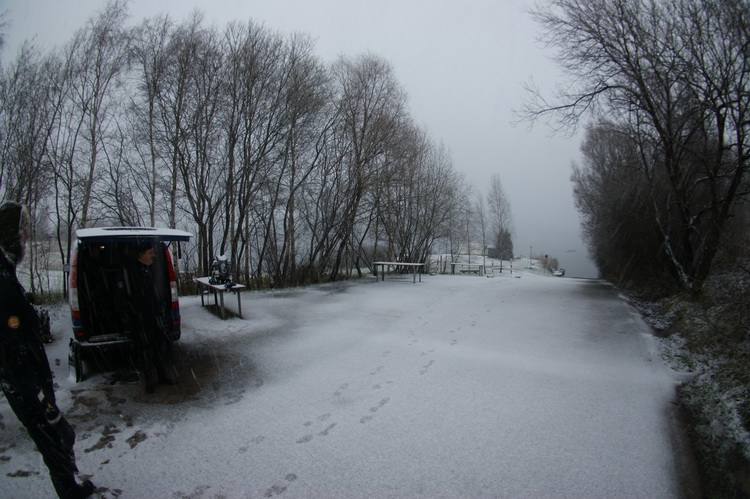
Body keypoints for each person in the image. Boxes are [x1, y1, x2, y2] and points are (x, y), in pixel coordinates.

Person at [0, 201, 95, 499]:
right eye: (23, 234)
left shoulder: (5, 271)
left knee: (56, 437)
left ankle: (68, 487)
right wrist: (39, 395)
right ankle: (69, 490)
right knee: (57, 435)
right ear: (10, 235)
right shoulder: (1, 278)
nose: (26, 239)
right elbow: (9, 345)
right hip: (24, 384)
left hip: (26, 381)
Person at [125, 241, 176, 394]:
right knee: (145, 351)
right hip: (141, 319)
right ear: (141, 255)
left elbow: (159, 291)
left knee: (159, 348)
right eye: (150, 252)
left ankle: (162, 376)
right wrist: (136, 314)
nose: (153, 255)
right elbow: (127, 298)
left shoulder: (152, 269)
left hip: (155, 316)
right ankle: (148, 381)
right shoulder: (132, 272)